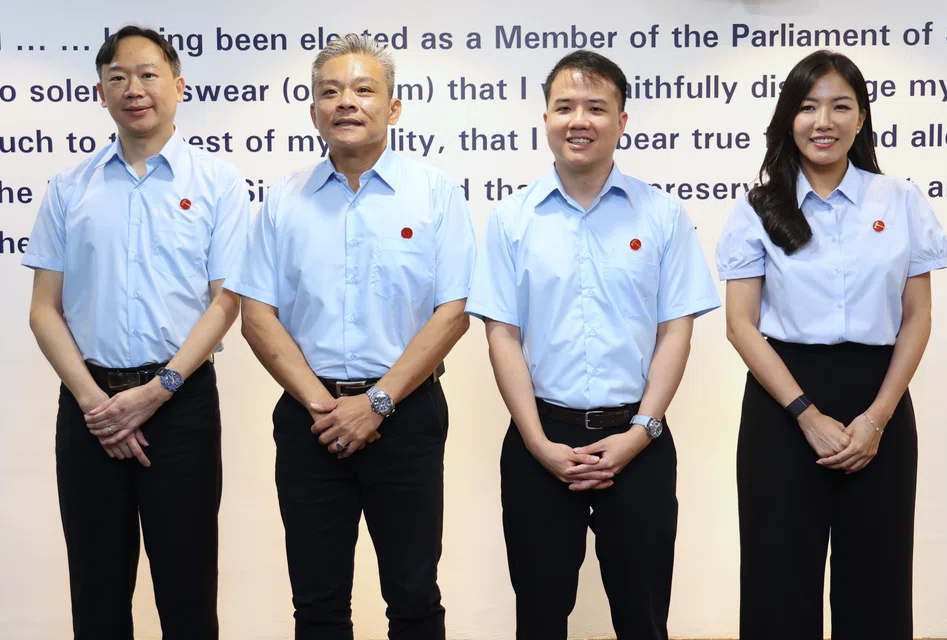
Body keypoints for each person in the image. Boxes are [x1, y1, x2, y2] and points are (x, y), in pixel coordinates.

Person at [225, 34, 475, 639]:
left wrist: (377, 403)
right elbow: (257, 312)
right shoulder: (282, 200)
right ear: (312, 111)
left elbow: (453, 311)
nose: (346, 103)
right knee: (316, 601)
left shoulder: (435, 193)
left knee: (414, 596)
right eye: (330, 92)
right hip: (310, 418)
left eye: (364, 90)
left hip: (407, 417)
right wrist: (323, 404)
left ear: (393, 108)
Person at [465, 50, 720, 640]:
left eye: (596, 107)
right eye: (565, 107)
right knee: (540, 617)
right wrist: (537, 441)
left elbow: (675, 329)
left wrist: (641, 432)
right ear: (546, 118)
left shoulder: (660, 215)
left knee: (643, 617)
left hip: (640, 440)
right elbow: (501, 333)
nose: (579, 119)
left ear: (622, 121)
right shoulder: (512, 218)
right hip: (539, 439)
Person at [22, 25, 249, 640]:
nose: (134, 89)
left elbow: (227, 302)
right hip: (90, 405)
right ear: (101, 92)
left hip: (181, 405)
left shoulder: (218, 184)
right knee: (96, 592)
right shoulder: (70, 188)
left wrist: (158, 390)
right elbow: (44, 308)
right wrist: (98, 405)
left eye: (148, 75)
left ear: (178, 85)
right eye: (118, 77)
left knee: (187, 589)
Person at [717, 49, 947, 640]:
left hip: (880, 399)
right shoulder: (758, 209)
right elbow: (741, 325)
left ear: (862, 118)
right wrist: (806, 414)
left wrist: (877, 418)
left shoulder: (898, 199)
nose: (824, 121)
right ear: (787, 119)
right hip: (782, 403)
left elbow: (917, 317)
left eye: (840, 106)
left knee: (876, 581)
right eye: (808, 106)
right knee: (777, 582)